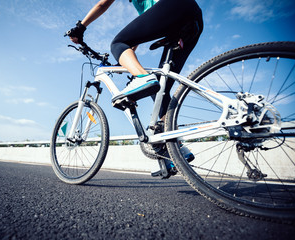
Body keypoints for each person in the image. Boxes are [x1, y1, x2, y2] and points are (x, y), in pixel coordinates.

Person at [67, 0, 203, 178]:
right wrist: (125, 60)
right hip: (193, 19)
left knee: (117, 43)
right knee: (160, 90)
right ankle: (174, 148)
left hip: (174, 6)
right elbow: (134, 42)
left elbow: (103, 4)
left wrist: (80, 27)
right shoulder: (147, 7)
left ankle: (143, 78)